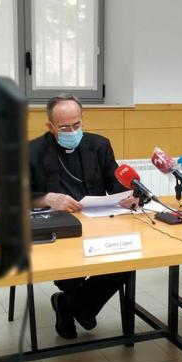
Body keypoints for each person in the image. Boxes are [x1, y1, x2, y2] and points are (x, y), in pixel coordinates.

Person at [30, 94, 137, 339]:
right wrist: (47, 198)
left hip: (97, 223)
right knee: (69, 268)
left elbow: (116, 183)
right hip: (58, 229)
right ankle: (77, 305)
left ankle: (68, 305)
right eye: (65, 127)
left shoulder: (99, 145)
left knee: (129, 259)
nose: (72, 131)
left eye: (76, 125)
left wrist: (129, 196)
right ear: (50, 126)